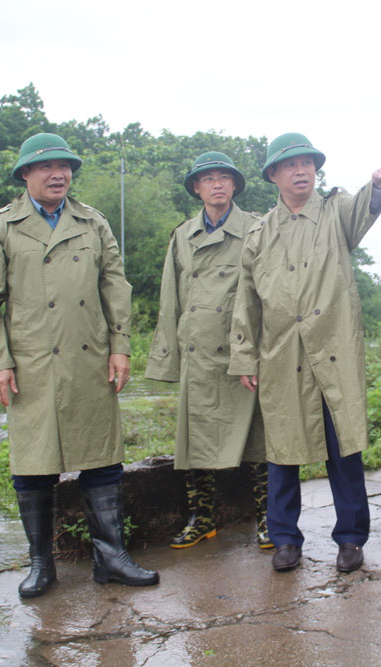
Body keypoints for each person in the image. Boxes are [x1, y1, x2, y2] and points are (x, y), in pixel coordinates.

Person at [0, 133, 158, 598]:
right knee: (32, 464)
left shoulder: (92, 222)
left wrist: (121, 345)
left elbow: (115, 284)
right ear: (26, 174)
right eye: (47, 166)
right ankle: (41, 563)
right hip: (29, 364)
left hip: (89, 357)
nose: (58, 174)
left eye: (65, 166)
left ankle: (111, 557)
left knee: (102, 458)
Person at [229, 132, 381, 573]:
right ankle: (286, 539)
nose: (301, 171)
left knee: (344, 448)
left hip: (333, 350)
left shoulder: (335, 211)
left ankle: (350, 540)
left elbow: (364, 208)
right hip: (282, 355)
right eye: (290, 165)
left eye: (307, 163)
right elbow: (246, 301)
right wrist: (246, 357)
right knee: (282, 451)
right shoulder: (259, 233)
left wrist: (377, 187)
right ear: (273, 175)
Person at [145, 152, 270, 550]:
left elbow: (267, 293)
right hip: (198, 351)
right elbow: (172, 298)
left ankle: (270, 519)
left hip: (243, 351)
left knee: (257, 442)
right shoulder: (182, 235)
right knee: (195, 439)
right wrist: (169, 356)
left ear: (234, 185)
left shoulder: (257, 227)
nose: (217, 184)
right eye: (208, 179)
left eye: (224, 178)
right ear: (196, 188)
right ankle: (202, 518)